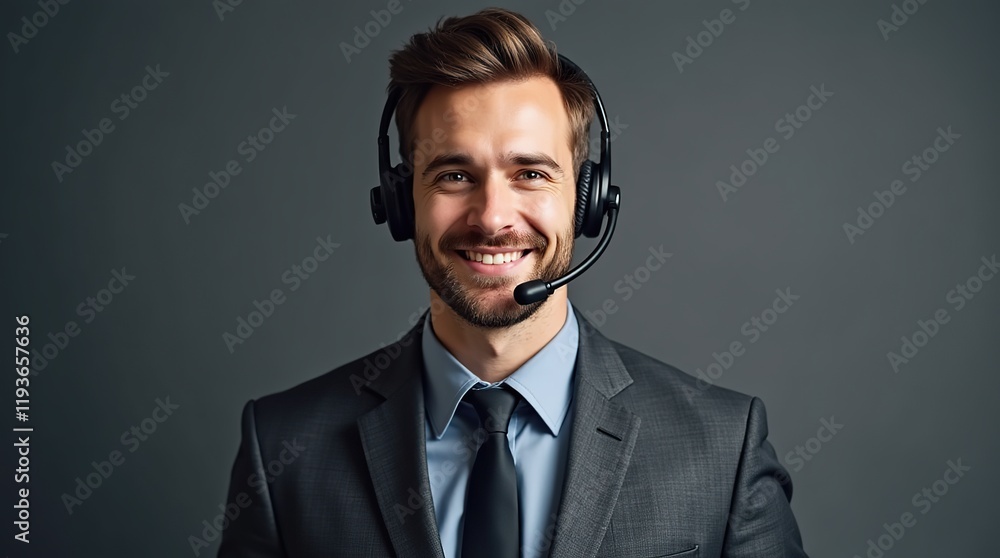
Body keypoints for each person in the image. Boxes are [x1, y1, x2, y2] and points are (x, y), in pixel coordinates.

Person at [218, 7, 808, 558]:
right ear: (400, 202)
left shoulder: (723, 449)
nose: (492, 217)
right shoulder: (282, 449)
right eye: (454, 174)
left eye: (530, 173)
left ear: (588, 201)